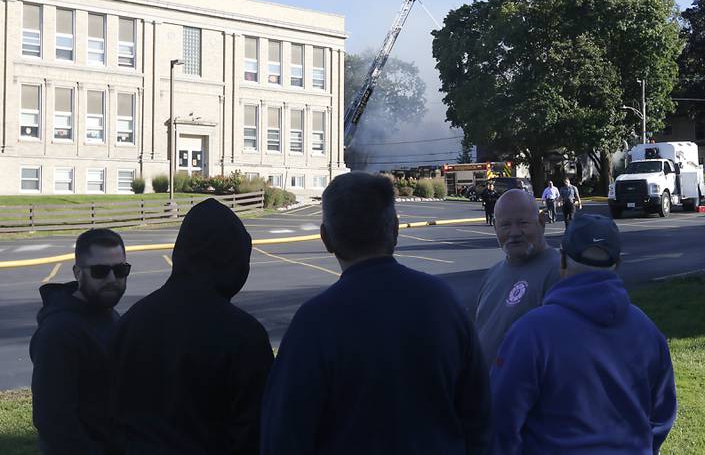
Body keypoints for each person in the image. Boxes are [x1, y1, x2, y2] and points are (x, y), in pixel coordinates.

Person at [260, 172, 490, 454]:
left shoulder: (313, 323)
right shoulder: (445, 302)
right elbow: (480, 417)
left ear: (326, 239)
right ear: (394, 229)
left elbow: (284, 436)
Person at [490, 213, 677, 454]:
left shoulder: (531, 333)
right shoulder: (648, 332)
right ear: (617, 264)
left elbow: (499, 421)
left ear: (562, 261)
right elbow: (662, 416)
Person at [111, 198, 274, 454]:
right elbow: (253, 430)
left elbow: (108, 414)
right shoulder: (243, 335)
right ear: (235, 260)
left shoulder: (131, 321)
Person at [30, 228, 130, 454]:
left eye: (121, 270)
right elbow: (54, 422)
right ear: (77, 273)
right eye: (100, 271)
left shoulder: (104, 311)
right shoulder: (59, 333)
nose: (112, 279)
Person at [474, 189, 561, 369]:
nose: (514, 232)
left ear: (542, 222)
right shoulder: (492, 274)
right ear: (495, 228)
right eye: (505, 225)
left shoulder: (560, 271)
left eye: (523, 223)